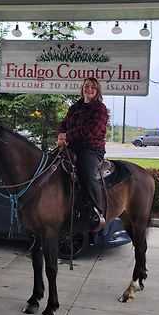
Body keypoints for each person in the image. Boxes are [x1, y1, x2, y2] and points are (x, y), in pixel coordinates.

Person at [57, 77, 108, 231]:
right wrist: (60, 135)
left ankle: (96, 211)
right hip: (72, 147)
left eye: (93, 87)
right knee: (52, 165)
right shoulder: (74, 107)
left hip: (91, 148)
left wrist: (67, 136)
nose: (89, 89)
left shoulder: (100, 109)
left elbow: (90, 131)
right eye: (86, 86)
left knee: (86, 171)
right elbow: (63, 123)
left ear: (97, 90)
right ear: (82, 88)